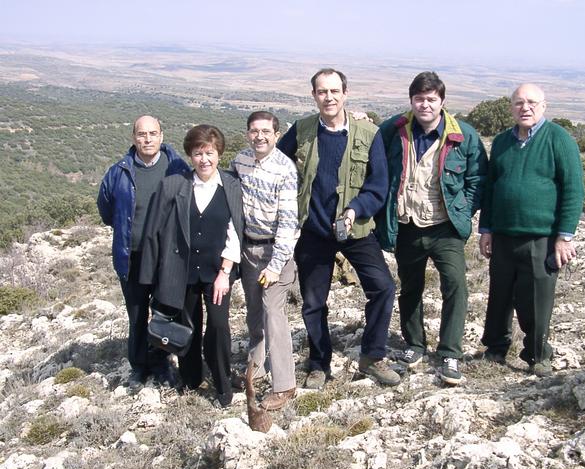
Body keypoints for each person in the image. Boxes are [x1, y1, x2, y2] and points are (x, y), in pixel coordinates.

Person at [278, 68, 400, 389]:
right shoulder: (302, 130)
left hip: (355, 228)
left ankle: (372, 356)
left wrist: (354, 210)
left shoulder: (367, 133)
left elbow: (378, 184)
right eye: (322, 92)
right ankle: (319, 364)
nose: (328, 97)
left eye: (334, 91)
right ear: (314, 95)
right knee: (313, 302)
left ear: (345, 93)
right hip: (314, 231)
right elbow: (274, 163)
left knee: (383, 288)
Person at [375, 71, 488, 386]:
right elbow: (374, 161)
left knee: (456, 287)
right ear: (411, 100)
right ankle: (415, 345)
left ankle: (450, 351)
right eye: (419, 99)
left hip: (445, 227)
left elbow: (478, 179)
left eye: (431, 99)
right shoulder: (393, 130)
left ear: (442, 101)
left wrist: (463, 209)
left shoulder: (463, 135)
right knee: (410, 288)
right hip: (406, 224)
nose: (425, 105)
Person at [478, 83, 585, 377]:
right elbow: (491, 189)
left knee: (536, 299)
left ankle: (538, 355)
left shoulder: (559, 139)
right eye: (519, 103)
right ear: (511, 107)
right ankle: (495, 347)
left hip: (542, 238)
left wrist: (564, 237)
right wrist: (485, 229)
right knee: (499, 295)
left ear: (544, 106)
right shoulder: (501, 142)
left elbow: (574, 189)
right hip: (502, 235)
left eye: (532, 102)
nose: (525, 108)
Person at [139, 124, 244, 406]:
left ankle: (222, 385)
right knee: (188, 326)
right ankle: (192, 379)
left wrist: (225, 272)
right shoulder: (173, 186)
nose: (204, 159)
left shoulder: (232, 186)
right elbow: (154, 232)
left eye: (209, 152)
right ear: (190, 156)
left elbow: (236, 231)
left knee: (219, 327)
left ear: (219, 153)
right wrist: (152, 281)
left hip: (217, 273)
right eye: (198, 153)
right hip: (181, 272)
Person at [97, 115, 190, 390]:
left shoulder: (177, 169)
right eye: (141, 134)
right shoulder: (119, 172)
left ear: (162, 136)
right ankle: (138, 367)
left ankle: (161, 364)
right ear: (133, 138)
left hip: (166, 258)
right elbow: (106, 209)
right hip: (133, 255)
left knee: (163, 313)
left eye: (152, 133)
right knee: (137, 315)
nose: (147, 139)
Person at [230, 111, 299, 410]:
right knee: (254, 311)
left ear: (276, 134)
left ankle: (284, 384)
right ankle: (255, 366)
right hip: (248, 250)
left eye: (266, 131)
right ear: (247, 133)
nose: (260, 136)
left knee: (273, 311)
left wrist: (275, 265)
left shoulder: (285, 169)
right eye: (254, 131)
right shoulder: (240, 161)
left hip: (276, 253)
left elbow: (288, 221)